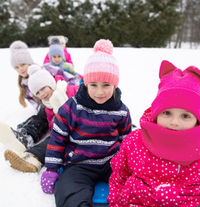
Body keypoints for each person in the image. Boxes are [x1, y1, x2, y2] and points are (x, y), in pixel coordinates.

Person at [40, 39, 132, 207]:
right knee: (68, 191)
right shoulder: (72, 108)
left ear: (115, 84)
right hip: (79, 165)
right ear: (85, 83)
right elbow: (57, 139)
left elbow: (127, 141)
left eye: (106, 85)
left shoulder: (121, 111)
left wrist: (129, 166)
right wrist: (52, 169)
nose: (99, 92)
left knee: (134, 188)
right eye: (93, 85)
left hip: (111, 163)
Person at [107, 60, 200, 206]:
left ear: (198, 120)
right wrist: (117, 202)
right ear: (156, 113)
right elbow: (119, 175)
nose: (175, 122)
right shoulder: (136, 141)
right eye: (167, 113)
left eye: (185, 116)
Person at [4, 65, 79, 172]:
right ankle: (27, 144)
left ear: (51, 83)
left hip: (80, 130)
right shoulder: (47, 106)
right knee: (54, 134)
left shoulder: (72, 90)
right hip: (66, 132)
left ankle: (33, 157)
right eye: (37, 93)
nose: (42, 94)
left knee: (56, 137)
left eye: (43, 88)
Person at [4, 40, 49, 148]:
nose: (20, 69)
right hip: (43, 109)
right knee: (32, 120)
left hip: (51, 105)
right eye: (16, 67)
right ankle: (21, 132)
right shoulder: (24, 83)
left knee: (40, 120)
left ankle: (27, 138)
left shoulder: (41, 72)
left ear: (29, 62)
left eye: (23, 65)